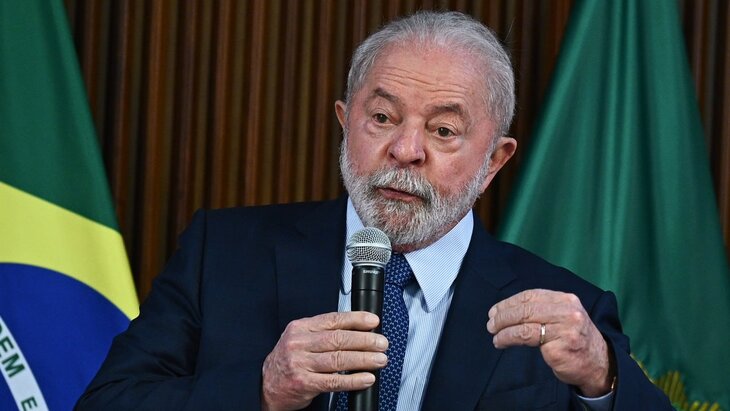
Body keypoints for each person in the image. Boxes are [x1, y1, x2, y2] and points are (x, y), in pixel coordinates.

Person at [76, 11, 671, 411]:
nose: (405, 150)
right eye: (382, 118)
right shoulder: (224, 253)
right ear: (345, 122)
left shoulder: (568, 309)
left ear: (494, 160)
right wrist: (262, 389)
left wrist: (602, 379)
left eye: (443, 130)